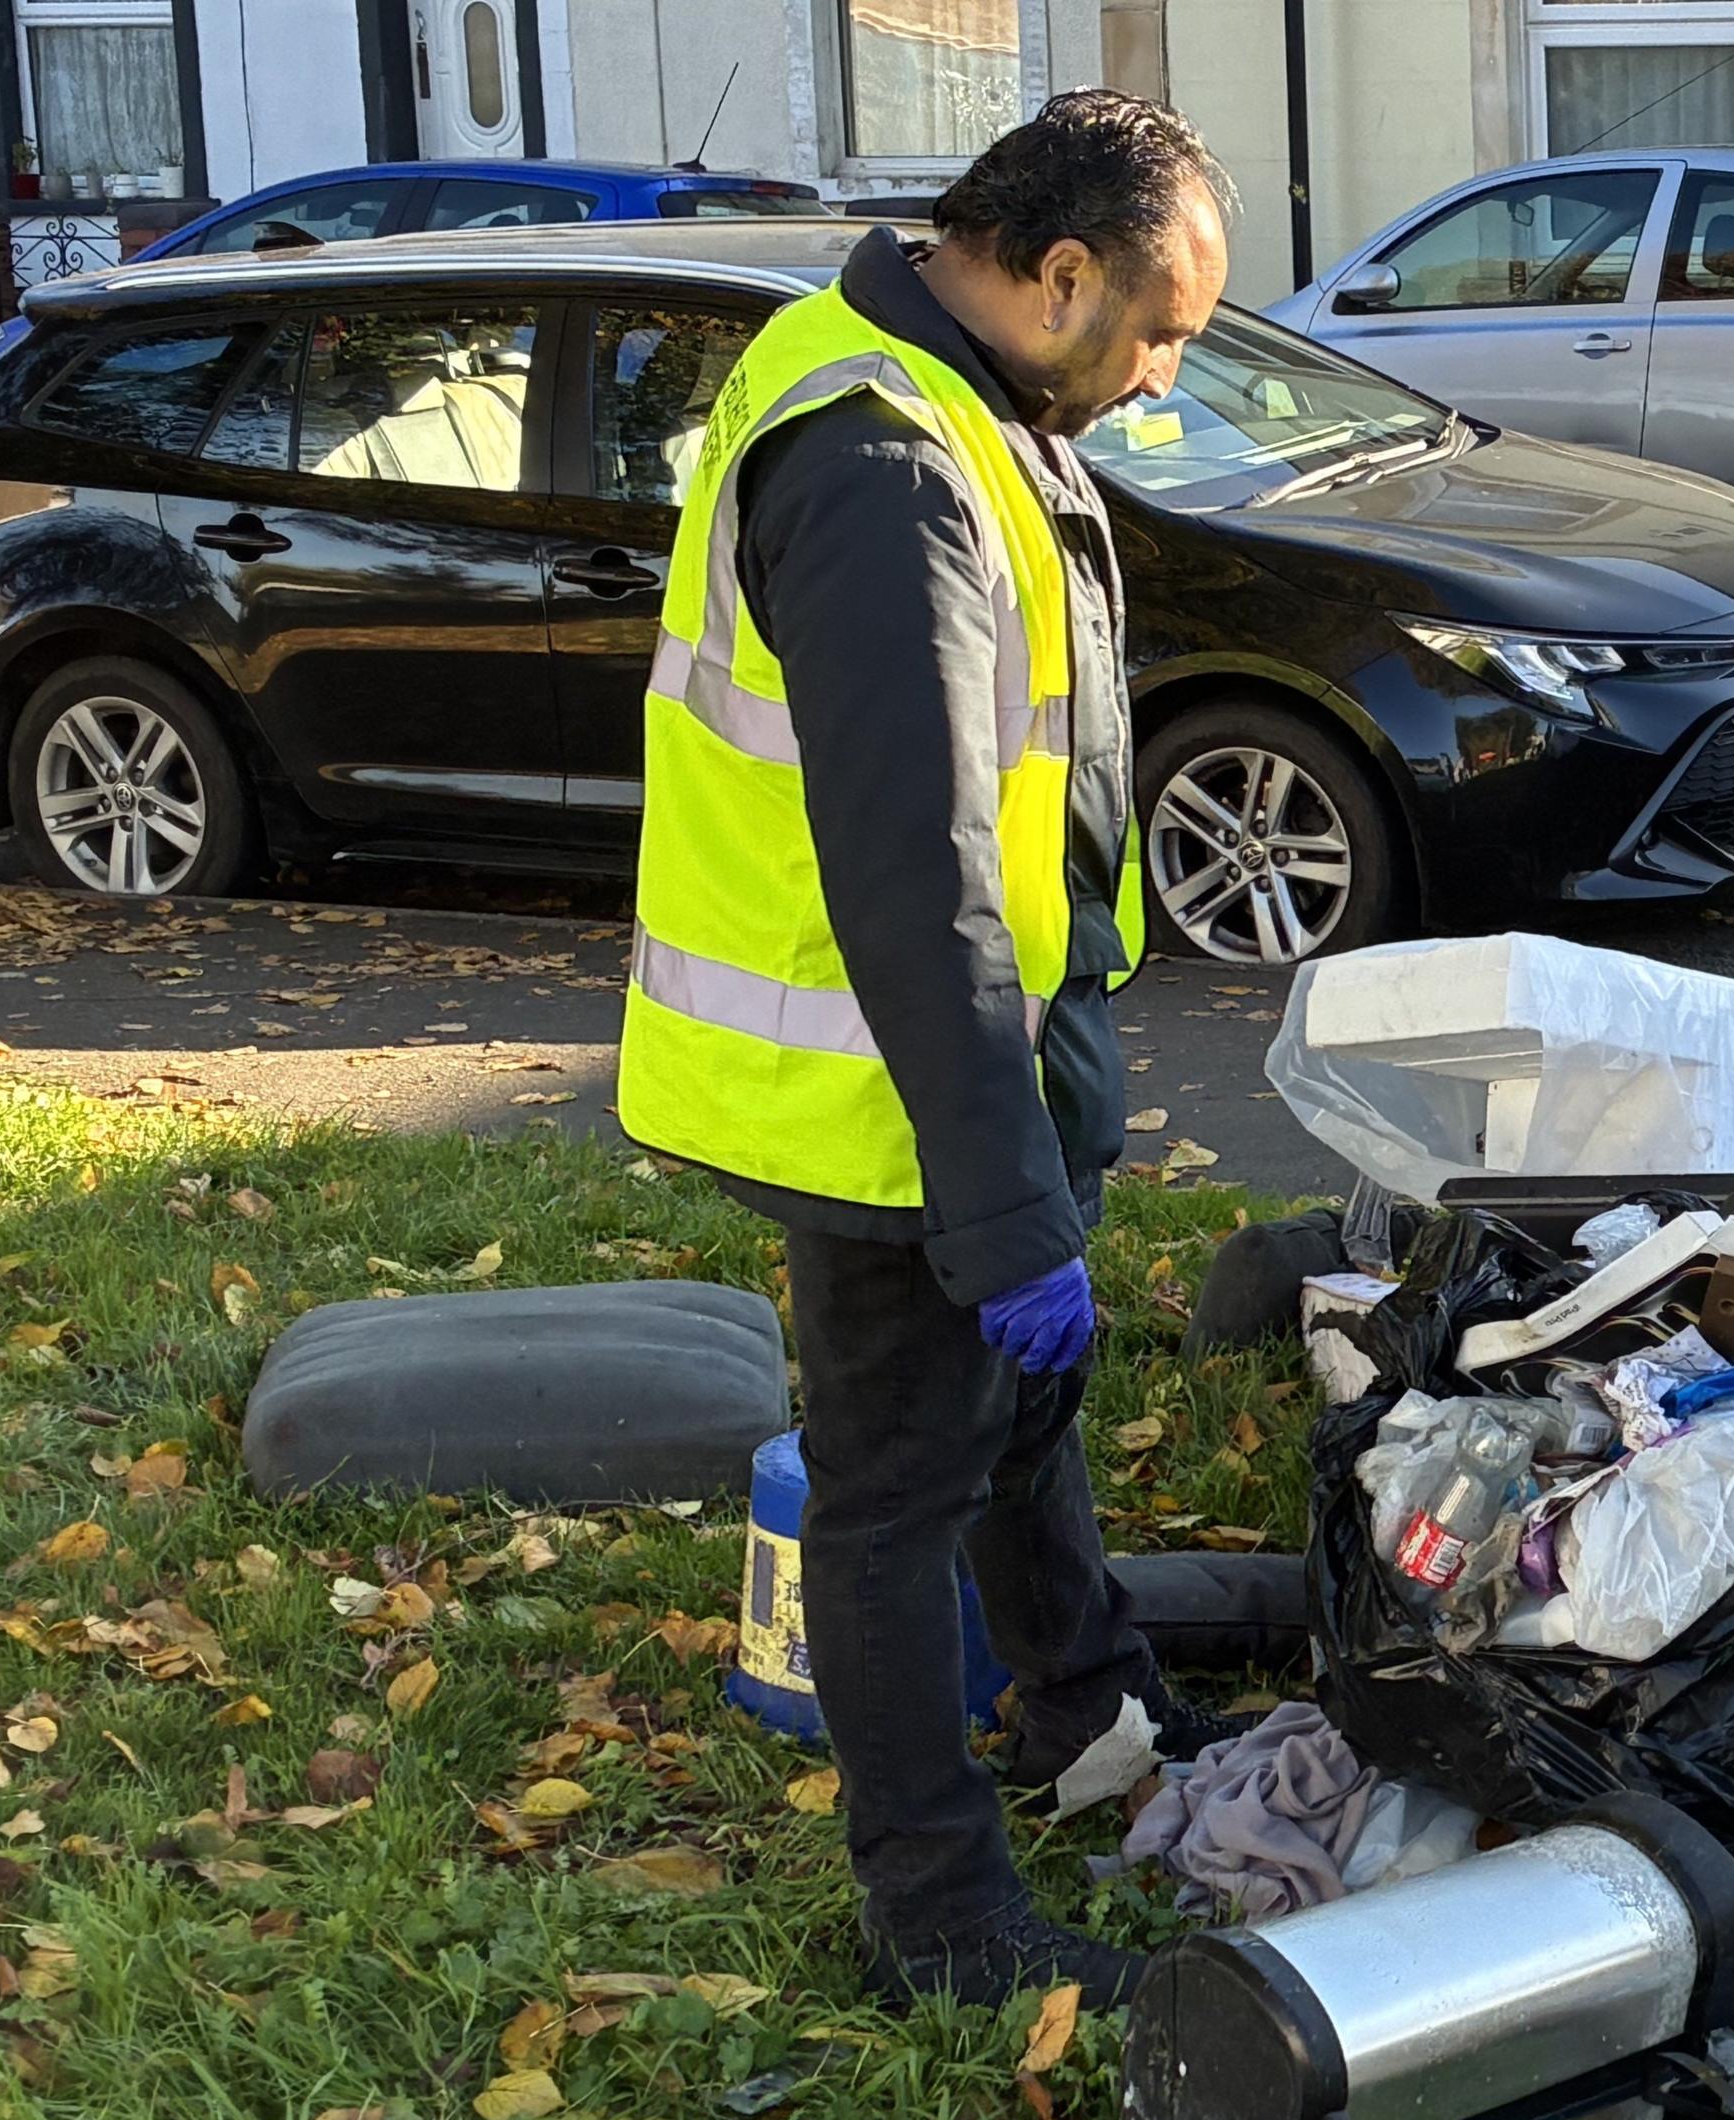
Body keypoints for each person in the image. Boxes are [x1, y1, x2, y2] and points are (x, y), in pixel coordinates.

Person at [612, 90, 1241, 2008]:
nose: (1160, 379)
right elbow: (916, 879)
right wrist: (997, 1204)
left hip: (977, 1058)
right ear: (1059, 274)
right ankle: (943, 1920)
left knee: (1015, 1421)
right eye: (1157, 334)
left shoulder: (961, 398)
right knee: (891, 1490)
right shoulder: (881, 461)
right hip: (878, 1082)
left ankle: (1091, 1718)